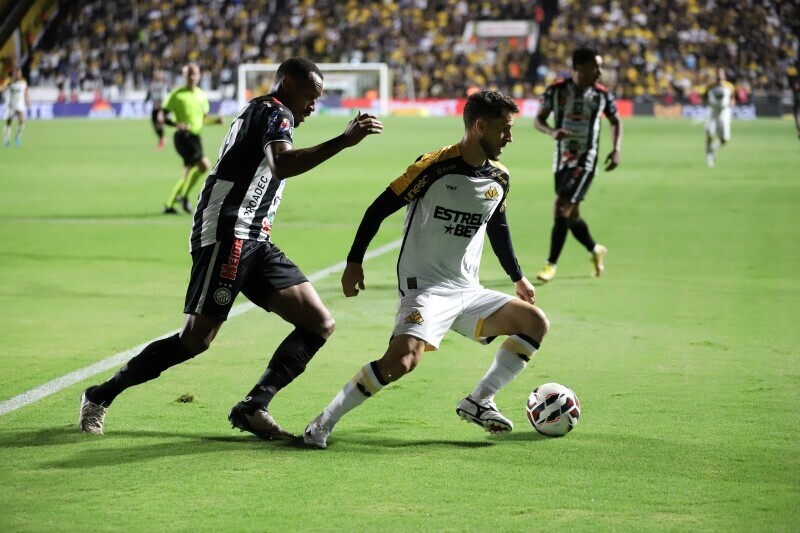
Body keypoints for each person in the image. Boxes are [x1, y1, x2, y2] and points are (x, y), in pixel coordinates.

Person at [78, 57, 385, 439]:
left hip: (255, 236)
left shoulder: (264, 111)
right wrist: (343, 140)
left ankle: (253, 407)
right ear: (289, 84)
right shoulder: (276, 112)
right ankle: (99, 396)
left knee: (318, 323)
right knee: (195, 340)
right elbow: (281, 164)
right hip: (228, 232)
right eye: (311, 95)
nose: (313, 105)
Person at [303, 90, 550, 449]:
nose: (510, 137)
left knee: (534, 322)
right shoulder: (433, 167)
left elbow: (497, 226)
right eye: (504, 128)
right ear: (480, 126)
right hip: (425, 288)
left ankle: (480, 400)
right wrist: (354, 262)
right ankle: (322, 423)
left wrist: (518, 277)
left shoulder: (499, 177)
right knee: (402, 361)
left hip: (468, 291)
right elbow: (377, 209)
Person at [533, 48, 622, 283]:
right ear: (580, 68)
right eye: (596, 67)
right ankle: (595, 249)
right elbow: (539, 119)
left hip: (586, 159)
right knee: (571, 216)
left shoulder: (602, 95)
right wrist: (552, 131)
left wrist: (616, 149)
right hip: (562, 159)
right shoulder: (556, 91)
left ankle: (550, 264)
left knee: (560, 207)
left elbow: (615, 121)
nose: (600, 72)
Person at [160, 63, 224, 214]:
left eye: (194, 74)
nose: (192, 77)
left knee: (188, 173)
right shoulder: (176, 94)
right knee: (204, 165)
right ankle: (184, 197)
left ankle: (170, 205)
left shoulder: (201, 95)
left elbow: (203, 119)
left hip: (195, 137)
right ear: (184, 76)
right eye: (189, 74)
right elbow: (162, 116)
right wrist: (176, 124)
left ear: (199, 76)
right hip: (183, 137)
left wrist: (215, 121)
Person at [703, 67, 735, 168]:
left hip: (724, 112)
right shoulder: (710, 86)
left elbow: (733, 98)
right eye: (718, 74)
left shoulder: (729, 86)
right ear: (716, 76)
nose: (720, 77)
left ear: (724, 76)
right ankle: (709, 155)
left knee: (725, 138)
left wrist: (732, 103)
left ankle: (712, 149)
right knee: (709, 133)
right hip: (713, 112)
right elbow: (704, 96)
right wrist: (707, 102)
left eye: (721, 74)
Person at [2, 68, 29, 147]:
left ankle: (17, 137)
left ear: (21, 74)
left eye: (19, 73)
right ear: (13, 74)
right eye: (16, 74)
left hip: (19, 104)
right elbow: (3, 88)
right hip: (10, 105)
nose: (17, 75)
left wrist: (27, 100)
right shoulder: (9, 81)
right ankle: (7, 139)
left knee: (21, 122)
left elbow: (26, 91)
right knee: (8, 122)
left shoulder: (23, 82)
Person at [145, 68, 170, 150]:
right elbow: (149, 94)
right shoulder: (152, 84)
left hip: (162, 106)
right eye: (155, 74)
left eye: (158, 74)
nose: (157, 75)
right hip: (154, 107)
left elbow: (169, 93)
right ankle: (162, 138)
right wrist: (145, 102)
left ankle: (176, 126)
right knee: (155, 124)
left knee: (160, 120)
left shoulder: (164, 84)